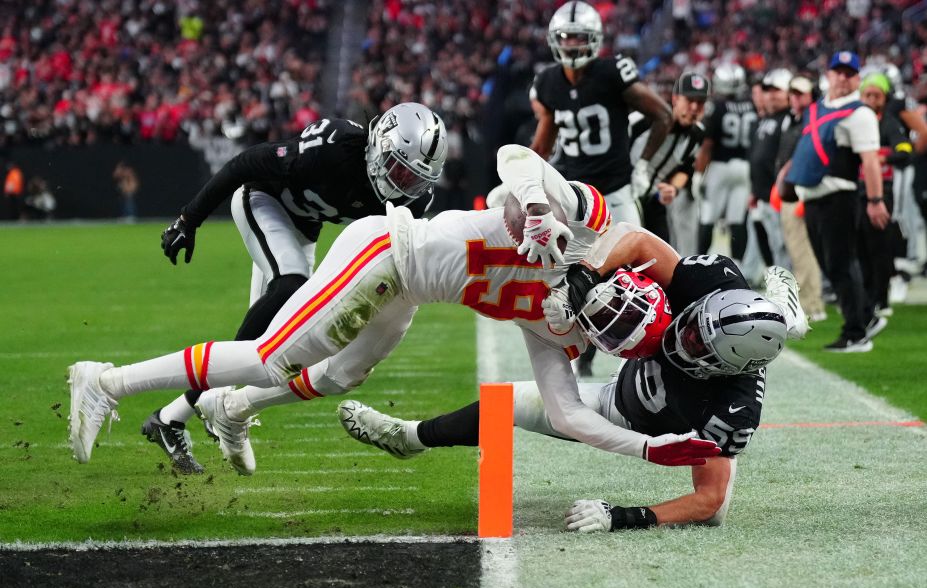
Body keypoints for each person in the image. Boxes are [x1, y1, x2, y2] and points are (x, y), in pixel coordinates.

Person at [68, 144, 719, 476]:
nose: (597, 322)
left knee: (339, 376)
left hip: (408, 291)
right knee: (272, 358)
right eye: (610, 311)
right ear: (623, 282)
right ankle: (105, 381)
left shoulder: (561, 334)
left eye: (606, 333)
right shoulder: (588, 226)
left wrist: (646, 450)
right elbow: (514, 161)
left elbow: (567, 414)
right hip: (387, 252)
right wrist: (540, 209)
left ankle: (231, 410)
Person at [337, 224, 806, 530]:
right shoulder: (713, 282)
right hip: (628, 382)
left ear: (727, 367)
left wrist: (625, 516)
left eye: (700, 348)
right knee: (510, 402)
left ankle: (788, 315)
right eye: (693, 326)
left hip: (642, 418)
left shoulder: (733, 407)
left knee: (716, 512)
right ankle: (410, 437)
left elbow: (707, 499)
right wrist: (586, 277)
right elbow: (638, 240)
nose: (684, 339)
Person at [142, 102, 447, 474]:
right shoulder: (333, 150)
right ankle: (209, 404)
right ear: (379, 145)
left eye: (414, 178)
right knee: (290, 290)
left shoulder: (409, 200)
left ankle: (171, 418)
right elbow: (245, 163)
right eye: (398, 168)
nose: (403, 184)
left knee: (267, 344)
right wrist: (188, 219)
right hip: (262, 199)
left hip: (303, 228)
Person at [528, 0, 673, 377]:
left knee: (643, 272)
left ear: (594, 40)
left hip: (617, 190)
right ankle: (586, 357)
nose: (573, 46)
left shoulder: (613, 72)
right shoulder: (547, 82)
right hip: (575, 198)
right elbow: (542, 144)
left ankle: (664, 352)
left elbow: (663, 114)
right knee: (574, 278)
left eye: (580, 38)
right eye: (566, 38)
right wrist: (522, 182)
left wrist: (645, 166)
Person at [784, 51, 890, 352]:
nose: (843, 77)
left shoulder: (861, 113)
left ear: (857, 78)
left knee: (841, 264)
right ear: (829, 75)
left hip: (839, 197)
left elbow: (869, 162)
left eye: (849, 72)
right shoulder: (817, 109)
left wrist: (875, 200)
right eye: (838, 71)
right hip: (815, 198)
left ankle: (856, 333)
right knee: (832, 265)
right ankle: (865, 316)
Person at [628, 72, 709, 250]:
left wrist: (673, 188)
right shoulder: (642, 121)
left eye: (700, 102)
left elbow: (686, 168)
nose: (694, 107)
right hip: (624, 195)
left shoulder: (697, 134)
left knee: (663, 257)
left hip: (653, 201)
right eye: (689, 100)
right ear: (675, 99)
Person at [857, 72, 913, 316]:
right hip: (856, 191)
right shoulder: (855, 120)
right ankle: (867, 296)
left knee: (878, 246)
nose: (871, 99)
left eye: (876, 95)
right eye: (867, 94)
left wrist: (884, 155)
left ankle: (881, 298)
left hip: (882, 192)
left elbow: (905, 149)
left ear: (884, 98)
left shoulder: (888, 122)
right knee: (860, 247)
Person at [775, 75, 827, 322]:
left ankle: (811, 305)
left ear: (812, 96)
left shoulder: (811, 122)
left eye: (801, 94)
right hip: (790, 192)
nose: (795, 98)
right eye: (792, 94)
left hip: (800, 192)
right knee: (797, 250)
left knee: (803, 250)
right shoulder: (794, 120)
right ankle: (806, 301)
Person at [694, 64, 757, 263]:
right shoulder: (751, 105)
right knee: (737, 220)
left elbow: (707, 144)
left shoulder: (717, 106)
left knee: (707, 217)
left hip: (719, 167)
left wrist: (698, 174)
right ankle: (737, 265)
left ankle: (700, 263)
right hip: (745, 167)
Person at [748, 68, 793, 271]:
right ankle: (781, 286)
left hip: (779, 195)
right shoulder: (766, 119)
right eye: (768, 91)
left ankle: (791, 288)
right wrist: (755, 191)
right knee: (775, 244)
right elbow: (757, 158)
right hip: (764, 194)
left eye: (777, 91)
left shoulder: (788, 119)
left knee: (785, 245)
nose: (771, 95)